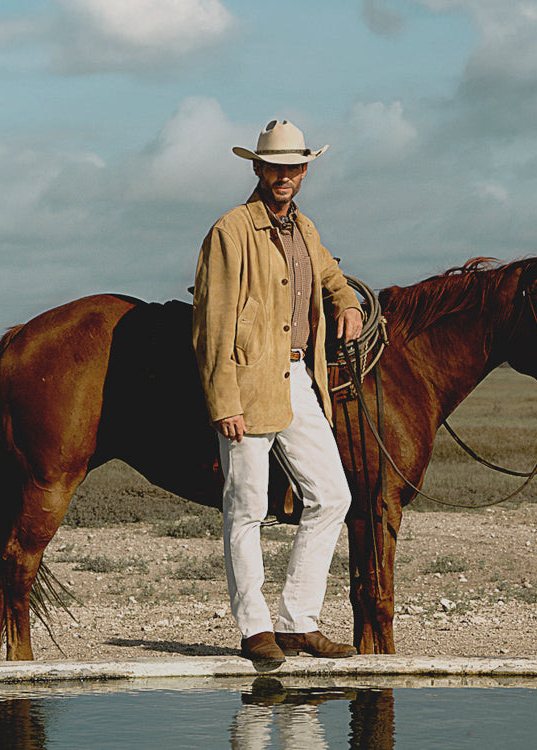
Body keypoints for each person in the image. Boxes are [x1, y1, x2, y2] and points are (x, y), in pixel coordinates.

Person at [194, 119, 365, 667]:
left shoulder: (304, 229)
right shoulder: (232, 230)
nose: (285, 176)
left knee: (332, 496)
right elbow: (212, 322)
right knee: (245, 509)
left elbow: (330, 275)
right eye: (275, 167)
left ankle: (297, 621)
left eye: (294, 167)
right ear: (257, 168)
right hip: (247, 382)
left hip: (298, 379)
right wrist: (225, 401)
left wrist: (348, 303)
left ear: (304, 171)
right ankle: (255, 628)